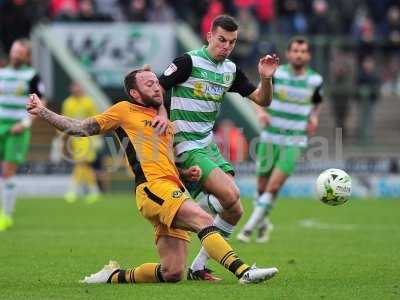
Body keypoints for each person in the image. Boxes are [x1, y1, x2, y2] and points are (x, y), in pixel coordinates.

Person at [26, 67, 279, 284]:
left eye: (157, 82)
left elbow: (160, 157)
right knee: (203, 218)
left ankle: (114, 275)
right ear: (135, 93)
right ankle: (244, 271)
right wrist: (43, 111)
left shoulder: (163, 118)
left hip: (172, 185)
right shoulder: (124, 110)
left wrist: (184, 172)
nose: (157, 87)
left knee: (172, 272)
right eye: (149, 84)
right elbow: (80, 128)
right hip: (153, 188)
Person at [157, 14, 279, 280]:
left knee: (235, 209)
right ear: (209, 36)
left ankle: (199, 266)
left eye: (232, 42)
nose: (226, 46)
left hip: (207, 144)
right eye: (221, 40)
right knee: (230, 195)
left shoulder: (230, 70)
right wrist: (162, 114)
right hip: (185, 144)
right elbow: (156, 88)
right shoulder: (187, 62)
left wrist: (266, 78)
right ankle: (204, 204)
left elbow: (262, 99)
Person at [237, 36, 323, 243]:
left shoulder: (315, 80)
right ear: (289, 53)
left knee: (273, 187)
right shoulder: (277, 74)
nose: (299, 54)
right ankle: (264, 223)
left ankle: (248, 229)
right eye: (295, 50)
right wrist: (260, 112)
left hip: (295, 140)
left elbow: (317, 102)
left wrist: (314, 116)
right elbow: (258, 95)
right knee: (261, 188)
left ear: (308, 55)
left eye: (303, 51)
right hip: (270, 137)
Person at [0, 39, 44, 231]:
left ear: (27, 56)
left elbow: (41, 103)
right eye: (14, 51)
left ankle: (6, 216)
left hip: (17, 128)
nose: (16, 54)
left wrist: (25, 123)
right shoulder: (2, 73)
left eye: (20, 52)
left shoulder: (32, 75)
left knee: (8, 171)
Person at [61, 81, 101, 204]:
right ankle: (94, 191)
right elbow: (63, 119)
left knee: (82, 163)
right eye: (74, 87)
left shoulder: (89, 102)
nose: (77, 89)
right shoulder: (68, 102)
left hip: (88, 137)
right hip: (75, 139)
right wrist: (63, 137)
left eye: (79, 87)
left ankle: (73, 191)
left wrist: (97, 138)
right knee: (84, 165)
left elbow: (97, 119)